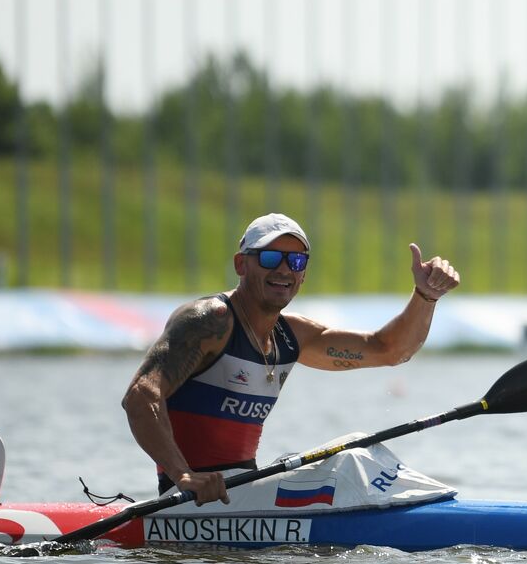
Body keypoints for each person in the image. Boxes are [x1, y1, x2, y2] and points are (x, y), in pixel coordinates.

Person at [123, 212, 460, 505]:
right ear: (241, 264)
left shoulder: (291, 337)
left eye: (296, 261)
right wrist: (184, 477)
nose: (284, 269)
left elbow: (389, 350)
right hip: (190, 499)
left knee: (353, 446)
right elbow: (141, 395)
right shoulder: (211, 320)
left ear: (304, 274)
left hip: (242, 494)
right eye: (271, 258)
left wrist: (425, 296)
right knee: (348, 464)